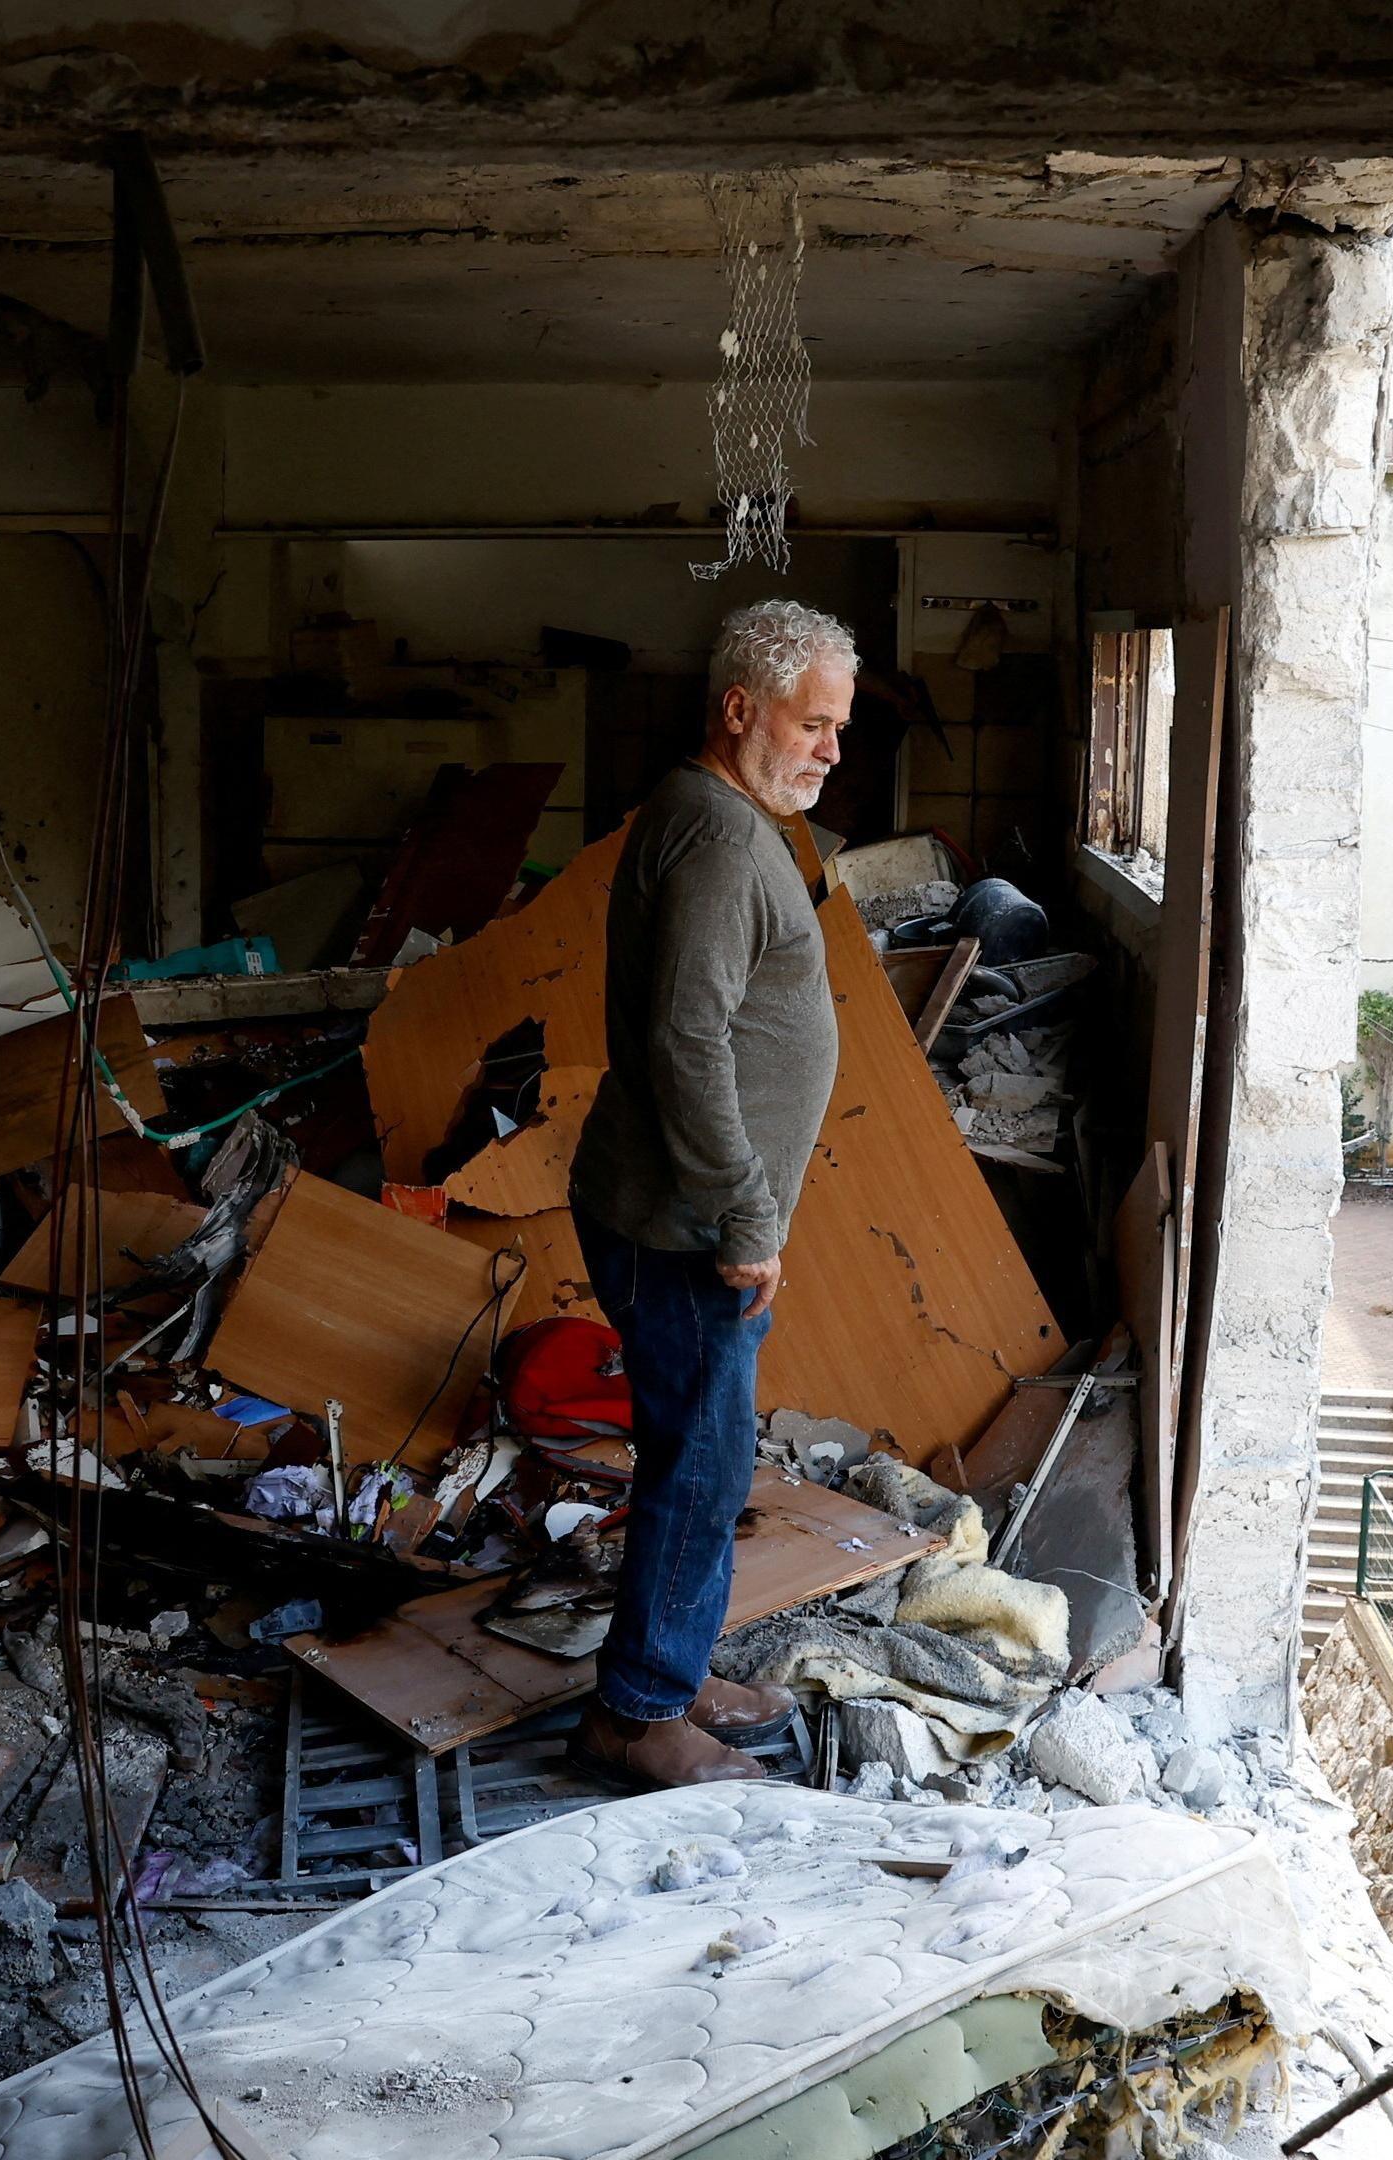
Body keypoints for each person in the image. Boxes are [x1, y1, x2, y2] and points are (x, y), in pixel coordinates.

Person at [563, 598, 855, 1788]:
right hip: (683, 1226)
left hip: (685, 1214)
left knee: (709, 1452)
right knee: (701, 1461)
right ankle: (637, 1716)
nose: (833, 750)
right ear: (740, 709)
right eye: (813, 723)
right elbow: (690, 1042)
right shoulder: (726, 840)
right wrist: (745, 1213)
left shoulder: (716, 815)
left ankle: (671, 1674)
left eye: (839, 727)